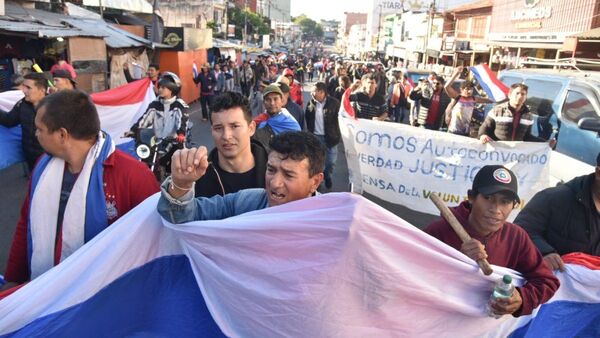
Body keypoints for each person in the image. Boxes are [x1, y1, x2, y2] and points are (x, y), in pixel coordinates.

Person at [1, 90, 159, 292]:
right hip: (43, 289)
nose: (35, 134)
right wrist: (14, 278)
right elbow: (27, 223)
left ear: (62, 135)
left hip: (106, 296)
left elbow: (152, 243)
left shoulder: (133, 175)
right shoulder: (43, 167)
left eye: (39, 129)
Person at [424, 165, 559, 317]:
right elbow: (411, 273)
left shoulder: (516, 237)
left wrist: (522, 298)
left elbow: (547, 281)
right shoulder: (440, 231)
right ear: (472, 197)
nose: (496, 209)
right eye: (488, 198)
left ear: (515, 206)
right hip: (437, 319)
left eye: (505, 202)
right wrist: (457, 262)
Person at [157, 131, 325, 223]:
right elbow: (182, 217)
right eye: (271, 170)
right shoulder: (246, 202)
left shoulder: (334, 222)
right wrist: (181, 185)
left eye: (289, 175)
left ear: (315, 182)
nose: (274, 183)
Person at [515, 152, 600, 271]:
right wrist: (545, 252)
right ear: (598, 173)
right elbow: (520, 230)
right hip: (544, 281)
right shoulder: (555, 197)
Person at [194, 92, 268, 197]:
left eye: (234, 126)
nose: (226, 136)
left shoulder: (276, 172)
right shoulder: (198, 177)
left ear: (251, 128)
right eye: (218, 128)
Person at [127, 72, 190, 171]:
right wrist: (134, 130)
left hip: (174, 141)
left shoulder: (180, 105)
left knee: (178, 166)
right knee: (146, 161)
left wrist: (181, 134)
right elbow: (145, 118)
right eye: (159, 87)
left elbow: (182, 120)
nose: (159, 89)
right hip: (157, 141)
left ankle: (176, 182)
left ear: (172, 89)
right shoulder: (155, 104)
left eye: (163, 87)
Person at [479, 83, 556, 147]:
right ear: (509, 95)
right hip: (497, 151)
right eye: (517, 93)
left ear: (526, 97)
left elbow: (527, 137)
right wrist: (483, 136)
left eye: (523, 94)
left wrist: (545, 143)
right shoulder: (497, 110)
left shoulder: (528, 116)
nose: (520, 96)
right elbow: (485, 128)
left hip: (514, 154)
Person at [0, 73, 47, 171]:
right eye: (23, 87)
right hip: (30, 157)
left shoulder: (55, 106)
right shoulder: (22, 104)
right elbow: (9, 121)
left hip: (49, 158)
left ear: (42, 90)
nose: (24, 91)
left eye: (28, 88)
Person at [305, 82, 341, 190]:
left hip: (331, 137)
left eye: (314, 91)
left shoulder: (334, 103)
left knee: (330, 162)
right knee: (317, 162)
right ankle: (318, 181)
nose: (312, 93)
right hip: (316, 137)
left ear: (322, 92)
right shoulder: (311, 103)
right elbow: (308, 118)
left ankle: (327, 176)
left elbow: (340, 119)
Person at [443, 67, 492, 136]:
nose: (470, 91)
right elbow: (446, 87)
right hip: (453, 131)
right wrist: (456, 74)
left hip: (465, 133)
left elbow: (490, 101)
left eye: (471, 89)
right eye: (467, 89)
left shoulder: (473, 99)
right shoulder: (457, 97)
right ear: (461, 90)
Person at [252, 85, 301, 150]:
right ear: (264, 102)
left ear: (281, 101)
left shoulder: (291, 124)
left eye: (275, 99)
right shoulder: (259, 121)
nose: (272, 103)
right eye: (268, 99)